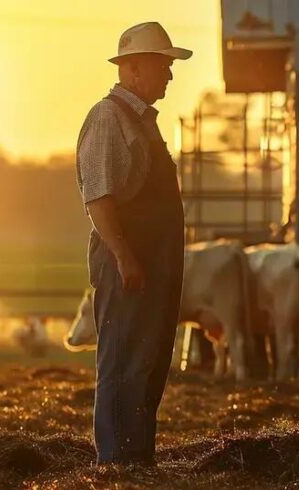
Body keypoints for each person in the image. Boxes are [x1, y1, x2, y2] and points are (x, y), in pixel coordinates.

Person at [75, 22, 191, 465]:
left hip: (152, 261)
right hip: (130, 258)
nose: (169, 75)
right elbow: (99, 198)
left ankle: (137, 456)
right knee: (124, 357)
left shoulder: (142, 121)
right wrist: (125, 257)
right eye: (164, 65)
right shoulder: (108, 117)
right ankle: (116, 460)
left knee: (149, 357)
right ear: (135, 67)